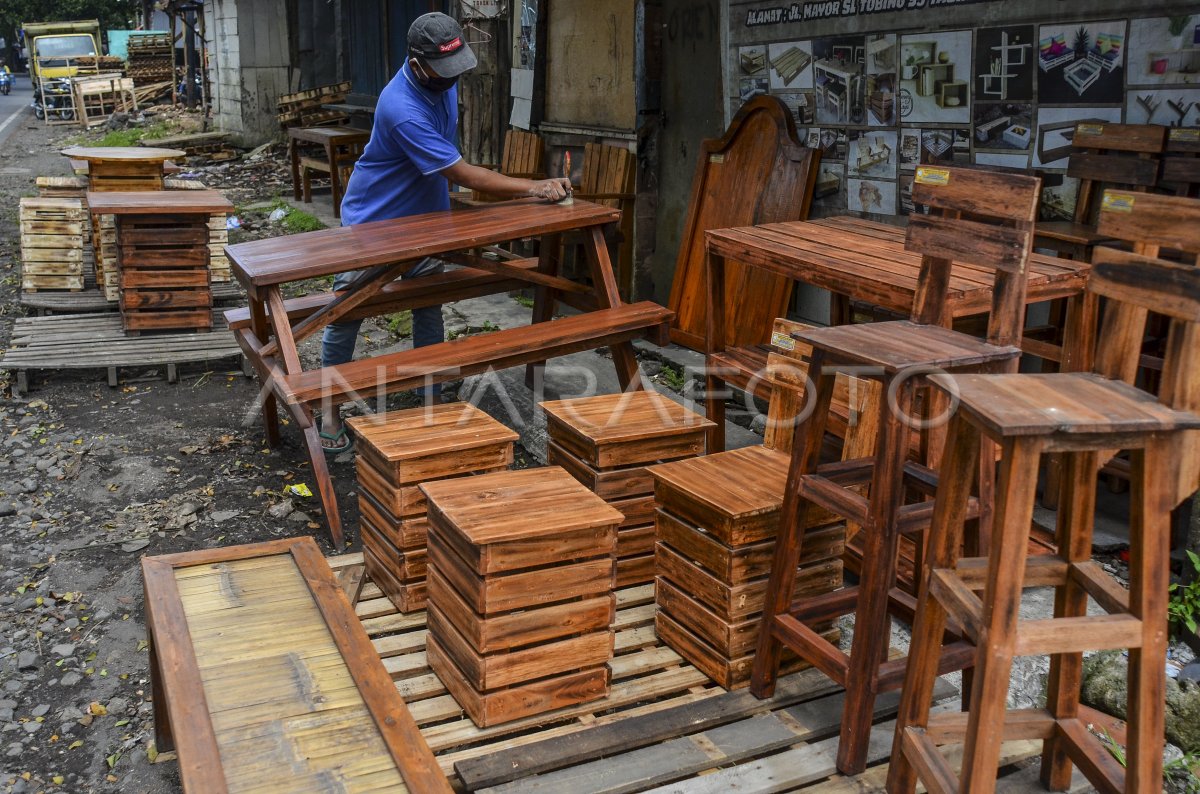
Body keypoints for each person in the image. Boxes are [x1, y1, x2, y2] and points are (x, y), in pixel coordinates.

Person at [318, 12, 571, 453]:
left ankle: (429, 396)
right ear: (416, 65)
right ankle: (328, 409)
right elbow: (460, 171)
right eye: (442, 71)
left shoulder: (442, 81)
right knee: (347, 311)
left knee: (427, 301)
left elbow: (449, 159)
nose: (451, 80)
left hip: (426, 216)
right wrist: (533, 186)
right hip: (374, 221)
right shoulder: (400, 106)